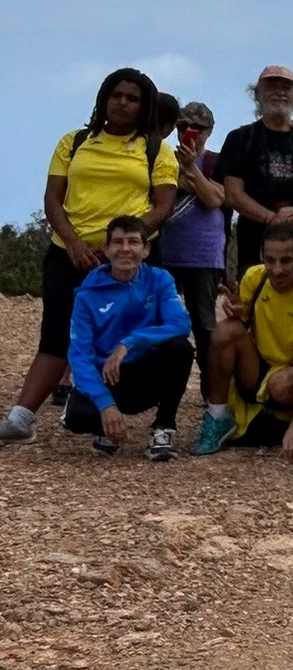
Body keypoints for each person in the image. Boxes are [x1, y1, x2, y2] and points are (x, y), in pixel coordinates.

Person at [2, 69, 178, 447]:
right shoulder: (74, 141)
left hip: (129, 257)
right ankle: (21, 417)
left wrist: (119, 244)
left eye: (133, 98)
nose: (123, 103)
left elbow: (163, 205)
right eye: (117, 95)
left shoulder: (155, 149)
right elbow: (53, 199)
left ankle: (131, 411)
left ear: (144, 106)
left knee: (133, 332)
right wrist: (76, 243)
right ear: (103, 98)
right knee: (56, 332)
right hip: (70, 252)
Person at [60, 213, 196, 459]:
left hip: (143, 371)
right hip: (107, 377)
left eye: (133, 242)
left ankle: (163, 427)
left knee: (180, 349)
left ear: (146, 249)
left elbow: (180, 323)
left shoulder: (160, 279)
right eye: (118, 242)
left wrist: (128, 343)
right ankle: (107, 426)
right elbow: (79, 355)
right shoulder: (87, 295)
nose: (125, 249)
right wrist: (105, 403)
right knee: (76, 418)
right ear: (106, 249)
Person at [192, 220, 293, 458]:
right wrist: (238, 314)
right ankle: (217, 416)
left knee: (283, 385)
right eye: (270, 260)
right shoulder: (254, 278)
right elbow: (242, 326)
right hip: (262, 365)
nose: (276, 270)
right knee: (224, 331)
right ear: (262, 256)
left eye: (285, 260)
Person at [216, 66, 293, 279]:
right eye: (271, 86)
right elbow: (233, 194)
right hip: (258, 252)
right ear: (257, 93)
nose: (279, 92)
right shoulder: (240, 139)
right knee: (258, 309)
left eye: (286, 87)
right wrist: (271, 219)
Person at [155, 101, 229, 395]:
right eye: (184, 127)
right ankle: (163, 388)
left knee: (205, 327)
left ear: (209, 131)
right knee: (166, 324)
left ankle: (212, 393)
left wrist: (191, 171)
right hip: (167, 253)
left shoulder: (216, 163)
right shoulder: (162, 159)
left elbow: (215, 199)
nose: (190, 133)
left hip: (205, 256)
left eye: (197, 128)